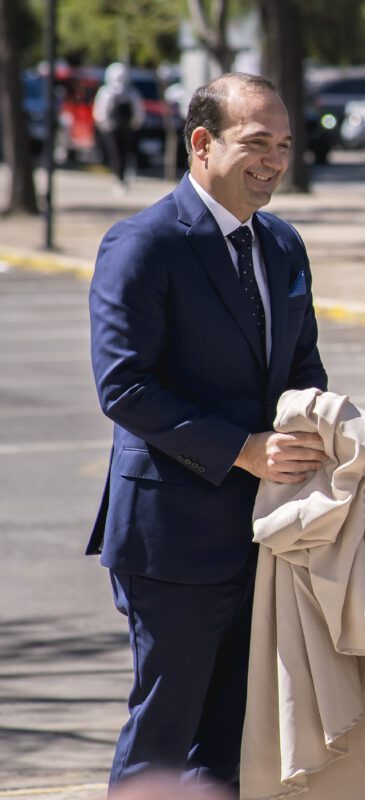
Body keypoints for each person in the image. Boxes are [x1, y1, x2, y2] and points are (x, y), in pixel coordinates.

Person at [88, 72, 329, 791]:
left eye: (284, 145)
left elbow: (302, 362)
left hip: (265, 531)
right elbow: (124, 386)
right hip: (173, 537)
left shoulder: (283, 244)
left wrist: (319, 424)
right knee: (164, 731)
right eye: (257, 143)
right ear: (202, 143)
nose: (274, 161)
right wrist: (244, 449)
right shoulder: (143, 244)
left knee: (233, 735)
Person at [92, 63, 145, 194]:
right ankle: (121, 178)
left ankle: (120, 179)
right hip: (122, 129)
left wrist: (105, 125)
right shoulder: (128, 92)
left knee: (118, 155)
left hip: (116, 129)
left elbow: (100, 112)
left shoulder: (108, 92)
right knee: (121, 154)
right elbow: (139, 113)